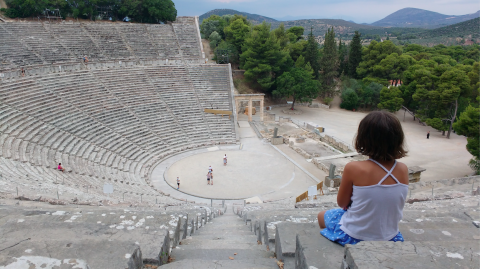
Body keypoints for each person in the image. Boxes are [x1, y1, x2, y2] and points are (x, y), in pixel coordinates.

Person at [317, 111, 409, 246]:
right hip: (390, 236)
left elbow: (342, 203)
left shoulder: (353, 168)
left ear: (363, 139)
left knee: (321, 216)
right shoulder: (403, 169)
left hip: (355, 235)